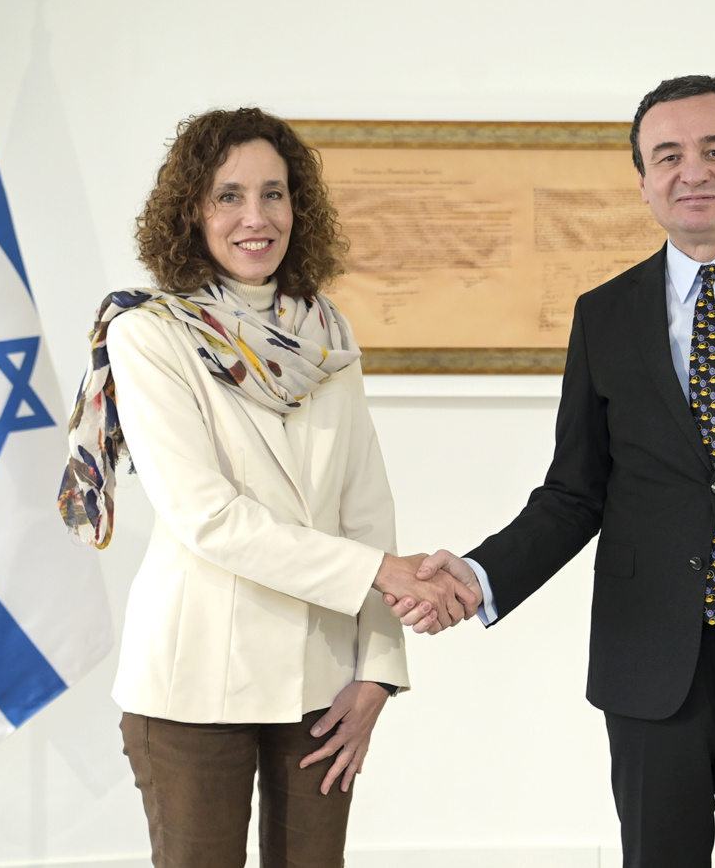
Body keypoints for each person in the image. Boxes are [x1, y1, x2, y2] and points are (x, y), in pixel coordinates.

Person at [388, 76, 715, 867]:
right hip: (649, 659)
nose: (692, 171)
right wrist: (477, 573)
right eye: (668, 155)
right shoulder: (604, 314)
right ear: (643, 180)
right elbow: (574, 493)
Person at [58, 107, 476, 868]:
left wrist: (378, 673)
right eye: (229, 196)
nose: (256, 217)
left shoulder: (326, 332)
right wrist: (385, 573)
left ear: (297, 206)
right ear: (191, 211)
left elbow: (365, 508)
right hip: (192, 686)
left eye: (273, 194)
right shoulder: (149, 333)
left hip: (323, 683)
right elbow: (209, 519)